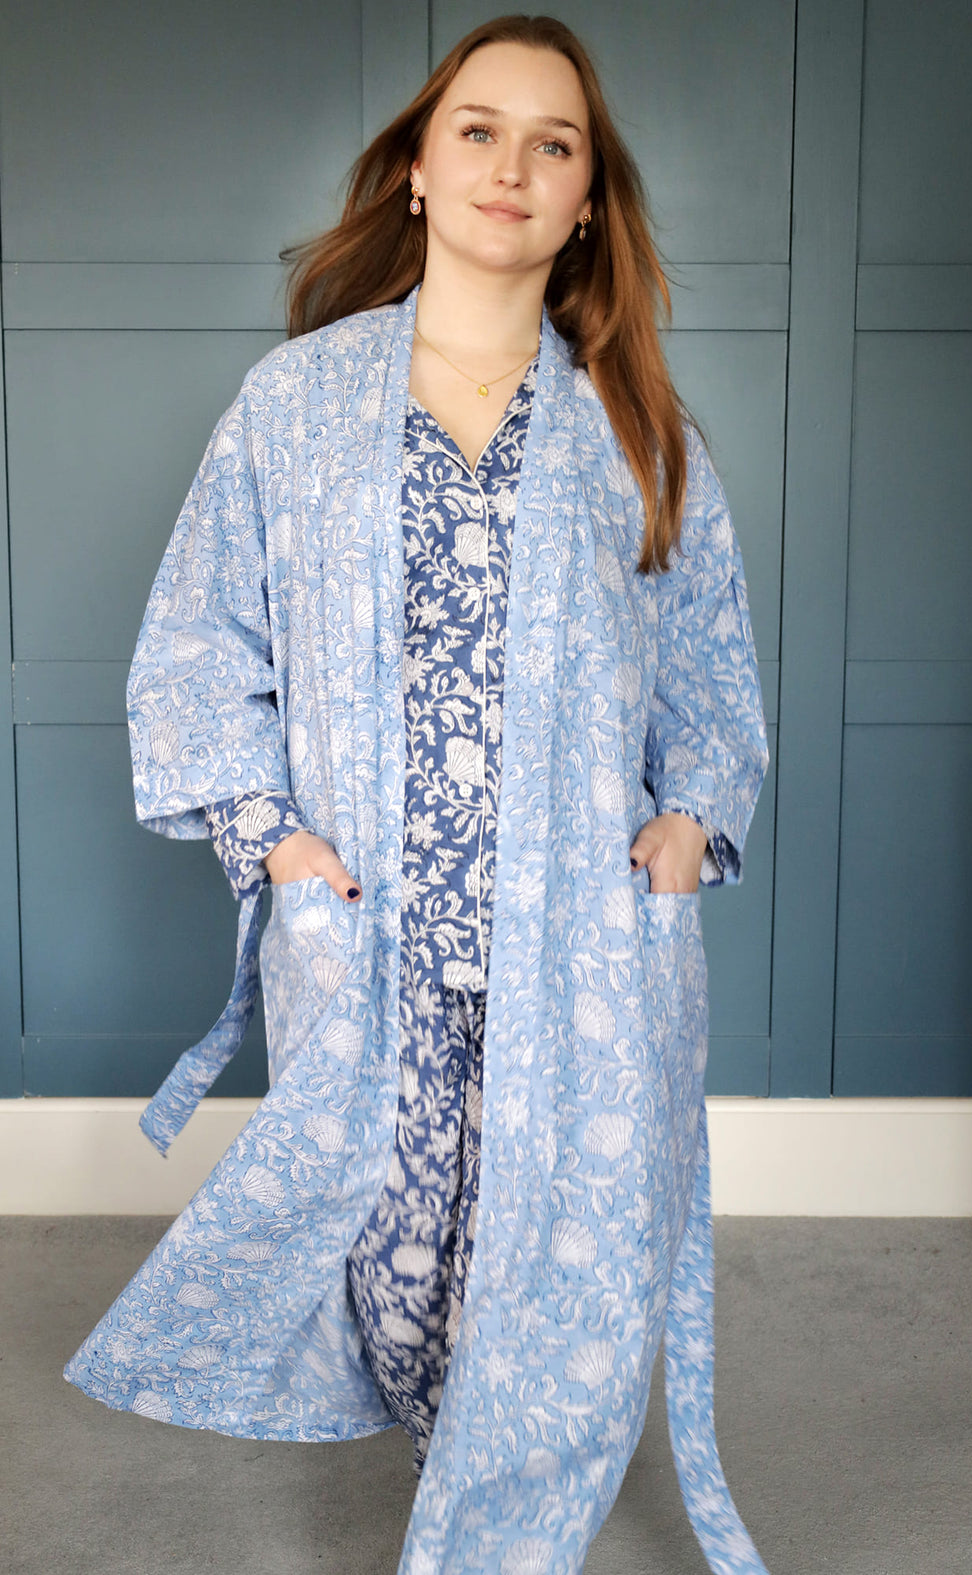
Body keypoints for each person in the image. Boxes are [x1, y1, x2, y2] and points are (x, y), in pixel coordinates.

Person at [65, 14, 771, 1573]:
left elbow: (711, 679)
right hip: (372, 942)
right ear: (420, 171)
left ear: (588, 201)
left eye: (555, 143)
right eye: (480, 130)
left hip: (576, 959)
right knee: (401, 1297)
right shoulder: (298, 410)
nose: (512, 165)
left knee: (554, 1302)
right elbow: (194, 648)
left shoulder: (636, 434)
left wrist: (683, 831)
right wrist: (279, 844)